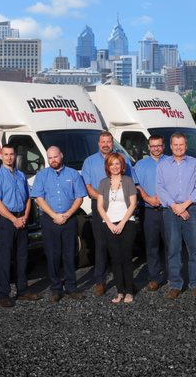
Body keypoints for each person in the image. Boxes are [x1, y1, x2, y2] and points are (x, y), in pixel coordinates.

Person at [80, 130, 135, 296]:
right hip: (101, 208)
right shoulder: (89, 162)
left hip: (122, 209)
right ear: (98, 143)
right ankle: (100, 281)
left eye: (109, 142)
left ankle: (124, 283)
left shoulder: (122, 160)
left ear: (113, 143)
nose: (105, 144)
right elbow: (89, 188)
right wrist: (105, 200)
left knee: (122, 247)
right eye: (102, 142)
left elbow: (131, 184)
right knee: (101, 244)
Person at [30, 146, 87, 302]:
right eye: (49, 158)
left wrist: (67, 214)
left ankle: (71, 287)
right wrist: (54, 215)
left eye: (55, 157)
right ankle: (56, 288)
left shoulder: (73, 174)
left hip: (69, 220)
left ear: (61, 155)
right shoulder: (41, 175)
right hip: (50, 220)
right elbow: (39, 198)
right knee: (52, 255)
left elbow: (79, 197)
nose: (53, 160)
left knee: (69, 254)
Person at [156, 132, 196, 300]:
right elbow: (160, 188)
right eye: (175, 145)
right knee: (173, 249)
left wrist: (184, 205)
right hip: (170, 210)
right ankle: (176, 285)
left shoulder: (195, 164)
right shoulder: (163, 165)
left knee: (195, 248)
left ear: (186, 146)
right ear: (170, 146)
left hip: (191, 209)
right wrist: (175, 206)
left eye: (181, 144)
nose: (178, 147)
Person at [0, 144, 39, 308]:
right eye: (6, 154)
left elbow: (27, 198)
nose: (9, 157)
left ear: (15, 156)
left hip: (22, 219)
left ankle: (23, 290)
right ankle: (3, 294)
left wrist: (25, 216)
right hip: (7, 221)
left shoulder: (21, 175)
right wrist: (13, 219)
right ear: (1, 156)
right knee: (5, 258)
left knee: (22, 257)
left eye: (12, 154)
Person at [95, 153, 139, 303]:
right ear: (107, 166)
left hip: (127, 224)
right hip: (108, 224)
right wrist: (109, 223)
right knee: (115, 259)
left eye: (117, 164)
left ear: (122, 166)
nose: (115, 167)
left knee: (126, 258)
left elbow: (133, 204)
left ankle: (129, 291)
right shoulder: (103, 183)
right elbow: (99, 206)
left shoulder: (128, 181)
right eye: (112, 164)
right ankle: (119, 291)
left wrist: (121, 223)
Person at [133, 134, 167, 291]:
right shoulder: (140, 165)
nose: (156, 149)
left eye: (159, 145)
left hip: (168, 209)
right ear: (148, 147)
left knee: (171, 245)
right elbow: (137, 185)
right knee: (151, 245)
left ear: (163, 146)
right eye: (153, 146)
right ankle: (155, 277)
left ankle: (174, 276)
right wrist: (147, 198)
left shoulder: (171, 161)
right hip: (148, 210)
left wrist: (164, 198)